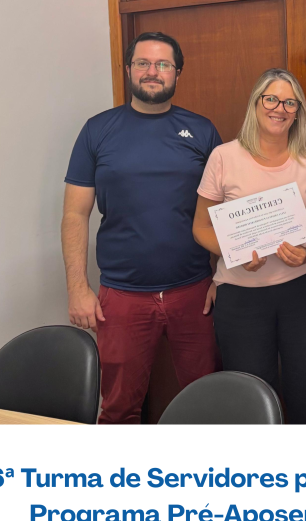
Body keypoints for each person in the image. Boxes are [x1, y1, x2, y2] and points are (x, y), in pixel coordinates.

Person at [62, 31, 222, 424]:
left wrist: (222, 275)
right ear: (129, 69)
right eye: (143, 63)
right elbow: (75, 214)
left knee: (208, 405)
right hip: (121, 297)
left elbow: (224, 211)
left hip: (194, 293)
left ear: (177, 73)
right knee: (118, 408)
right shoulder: (97, 130)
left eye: (163, 64)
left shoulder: (202, 131)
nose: (153, 71)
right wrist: (78, 288)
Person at [192, 69, 306, 423]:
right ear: (255, 104)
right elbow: (200, 228)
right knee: (250, 398)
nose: (279, 108)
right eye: (271, 99)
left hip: (304, 292)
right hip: (240, 297)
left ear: (298, 111)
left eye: (289, 102)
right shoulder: (223, 157)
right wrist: (234, 255)